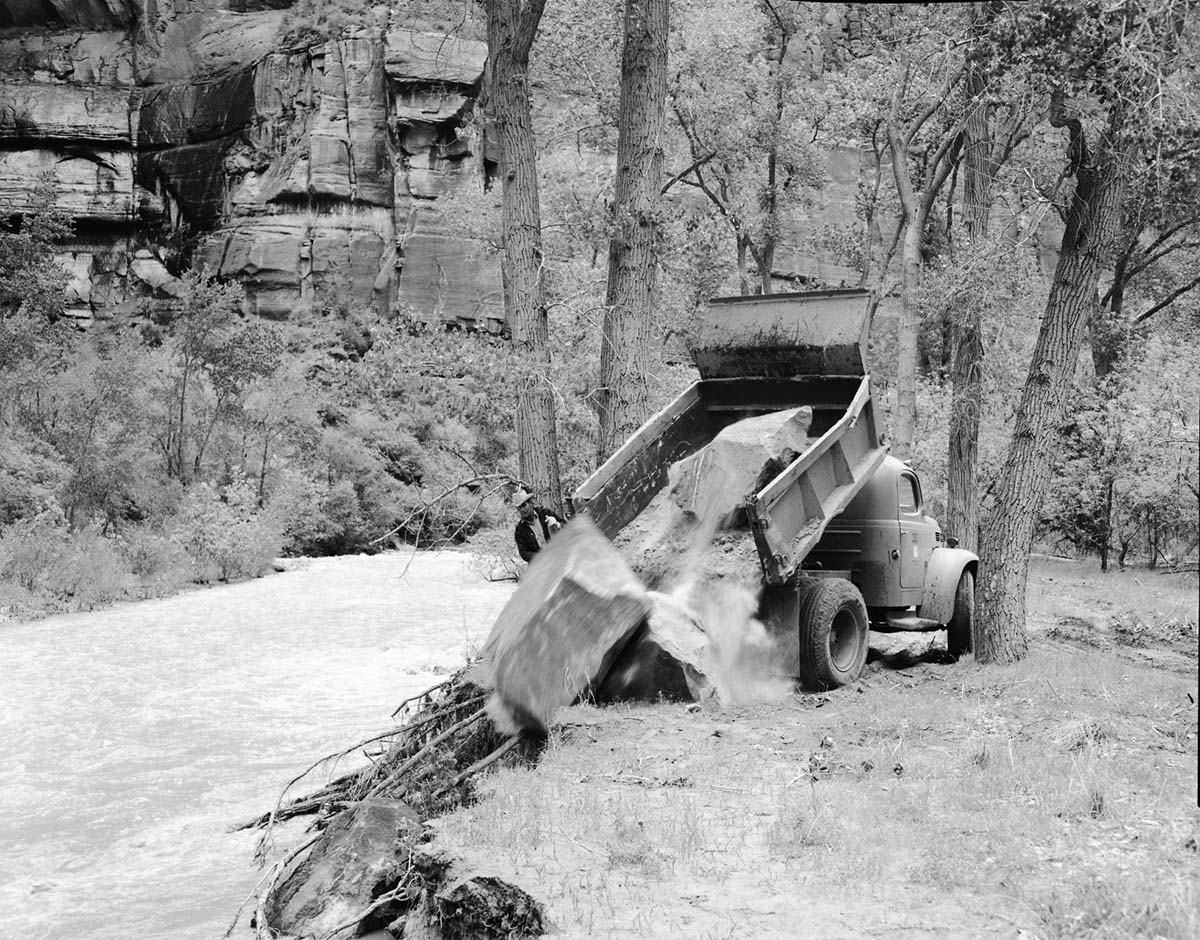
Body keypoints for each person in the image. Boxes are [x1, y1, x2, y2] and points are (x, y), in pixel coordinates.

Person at [512, 488, 562, 562]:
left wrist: (557, 524)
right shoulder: (520, 530)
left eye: (524, 505)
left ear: (531, 503)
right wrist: (540, 557)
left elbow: (566, 526)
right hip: (542, 564)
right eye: (519, 508)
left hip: (560, 555)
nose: (522, 510)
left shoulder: (545, 513)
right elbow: (524, 553)